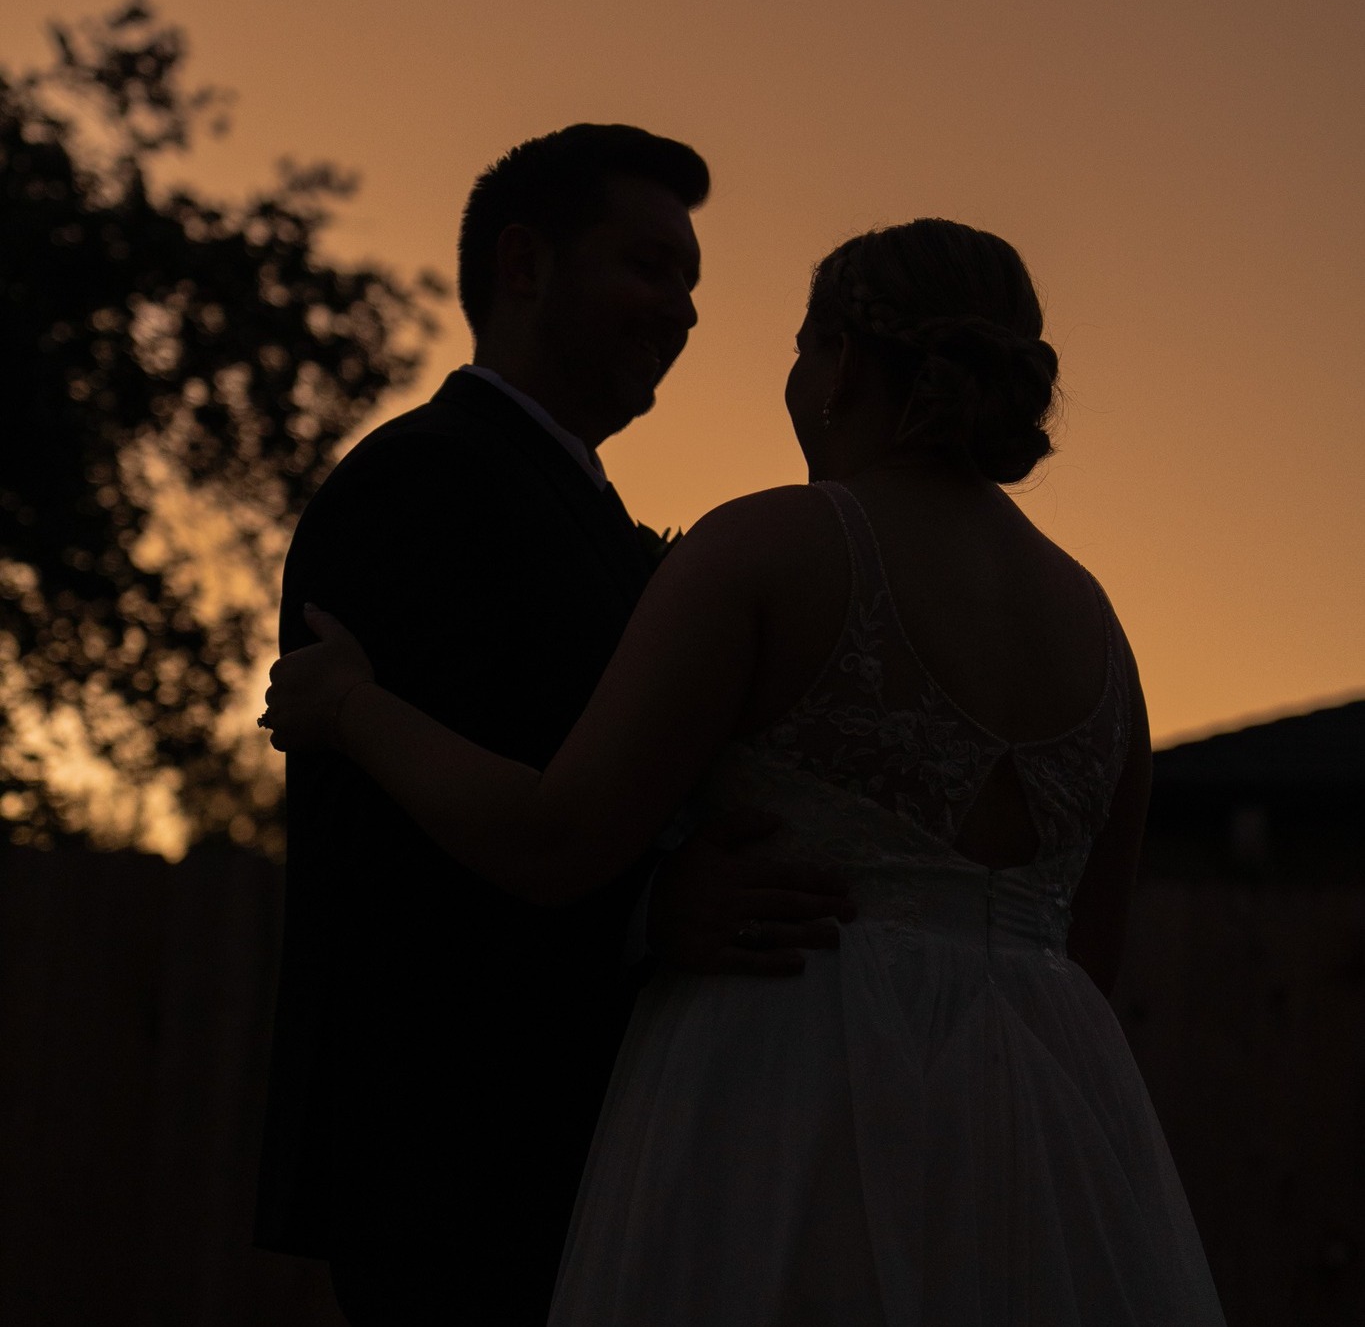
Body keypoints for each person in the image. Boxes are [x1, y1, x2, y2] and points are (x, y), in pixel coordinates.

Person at [262, 217, 1227, 1326]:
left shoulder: (775, 547)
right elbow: (1088, 952)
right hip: (1043, 1139)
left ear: (845, 365)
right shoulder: (1098, 627)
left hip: (784, 1102)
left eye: (804, 348)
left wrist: (350, 707)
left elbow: (552, 839)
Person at [254, 124, 852, 1327]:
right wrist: (644, 914)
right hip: (454, 1157)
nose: (682, 312)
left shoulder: (566, 503)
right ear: (523, 265)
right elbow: (390, 856)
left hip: (571, 1144)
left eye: (692, 285)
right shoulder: (417, 485)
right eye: (648, 268)